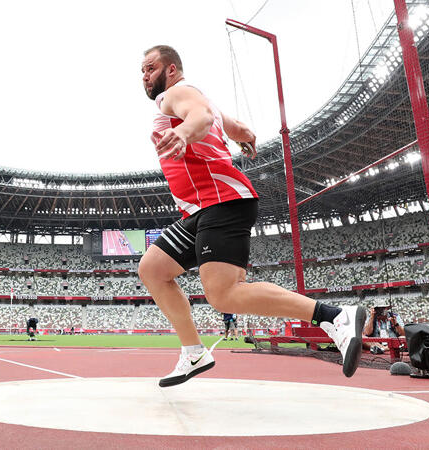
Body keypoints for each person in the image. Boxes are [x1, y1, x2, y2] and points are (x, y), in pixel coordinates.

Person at [137, 45, 366, 388]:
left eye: (150, 68)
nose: (144, 76)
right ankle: (194, 351)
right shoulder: (202, 98)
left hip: (222, 202)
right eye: (141, 71)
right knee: (153, 269)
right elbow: (233, 126)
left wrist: (184, 132)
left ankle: (334, 317)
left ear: (171, 70)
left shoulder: (175, 94)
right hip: (198, 210)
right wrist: (246, 137)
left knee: (224, 294)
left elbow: (200, 118)